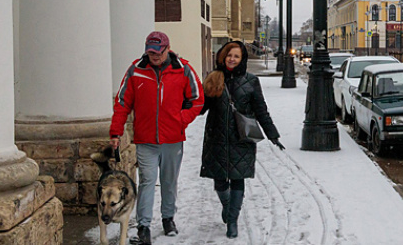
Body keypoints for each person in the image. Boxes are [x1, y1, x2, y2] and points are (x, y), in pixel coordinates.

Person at [109, 31, 204, 245]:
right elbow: (122, 102)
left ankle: (168, 218)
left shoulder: (183, 69)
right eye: (151, 53)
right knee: (147, 182)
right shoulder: (136, 70)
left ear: (167, 49)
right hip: (146, 140)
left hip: (173, 139)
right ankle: (143, 226)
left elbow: (198, 99)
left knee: (169, 182)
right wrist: (116, 132)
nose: (155, 57)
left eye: (158, 53)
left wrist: (181, 119)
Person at [200, 40, 284, 238]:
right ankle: (228, 207)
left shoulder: (251, 81)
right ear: (223, 56)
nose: (232, 59)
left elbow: (261, 111)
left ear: (242, 59)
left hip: (241, 137)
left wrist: (273, 135)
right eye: (229, 55)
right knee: (219, 180)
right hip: (217, 138)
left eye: (236, 56)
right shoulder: (213, 78)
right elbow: (200, 108)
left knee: (237, 179)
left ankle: (232, 220)